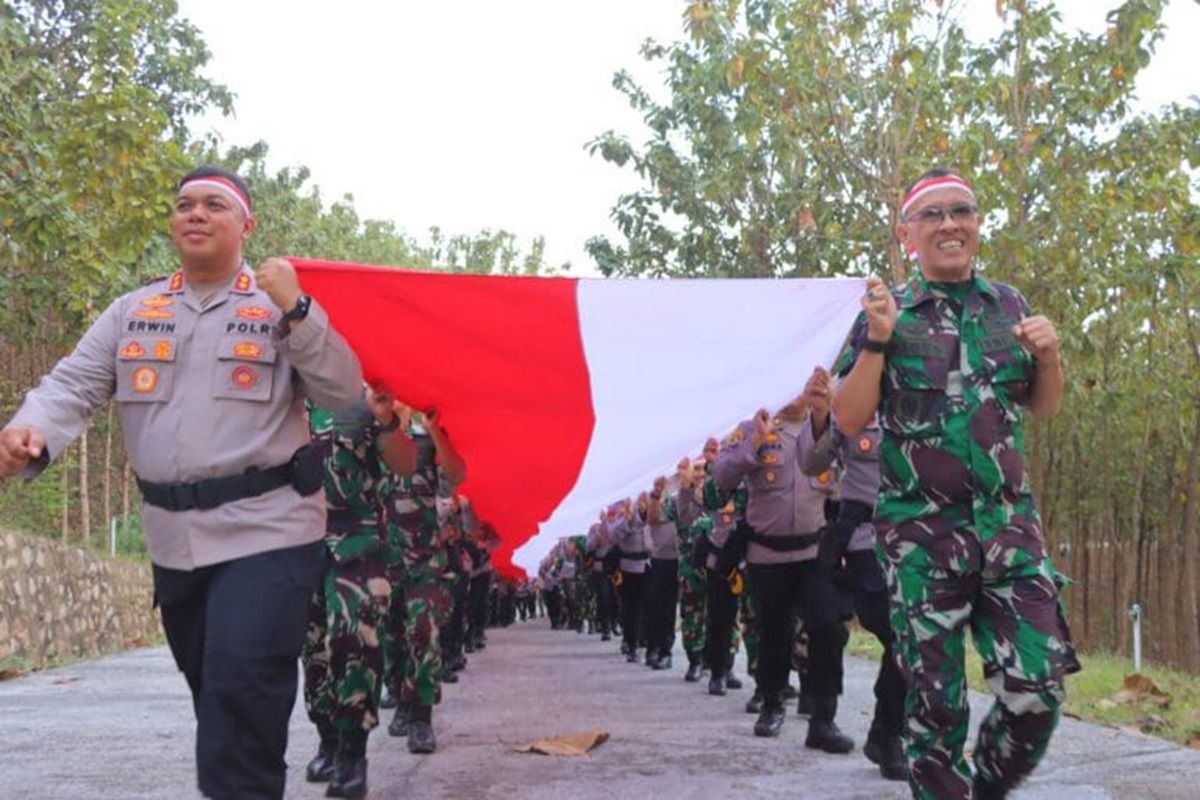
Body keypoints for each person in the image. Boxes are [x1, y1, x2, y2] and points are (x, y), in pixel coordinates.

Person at [0, 166, 362, 799]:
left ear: (246, 225)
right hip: (174, 543)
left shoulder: (279, 307)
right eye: (183, 205)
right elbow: (72, 385)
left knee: (239, 686)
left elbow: (344, 392)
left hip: (268, 533)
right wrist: (31, 430)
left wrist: (298, 310)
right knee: (219, 704)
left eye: (214, 205)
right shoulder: (133, 312)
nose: (195, 214)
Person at [832, 168, 1079, 800]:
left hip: (1010, 535)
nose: (950, 224)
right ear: (906, 235)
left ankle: (983, 790)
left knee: (1039, 687)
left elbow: (1041, 405)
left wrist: (1050, 358)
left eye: (961, 211)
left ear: (976, 224)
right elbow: (848, 416)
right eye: (933, 215)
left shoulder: (1009, 305)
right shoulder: (886, 311)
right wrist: (879, 341)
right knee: (936, 710)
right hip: (922, 542)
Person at [712, 379, 853, 750]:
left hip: (814, 553)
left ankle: (823, 718)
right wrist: (753, 444)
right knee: (774, 633)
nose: (795, 392)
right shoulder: (754, 427)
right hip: (768, 556)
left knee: (828, 626)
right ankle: (772, 702)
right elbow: (722, 477)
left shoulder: (827, 426)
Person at [302, 388, 413, 798]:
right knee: (312, 648)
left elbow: (405, 463)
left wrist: (385, 421)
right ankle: (328, 740)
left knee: (354, 637)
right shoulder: (289, 394)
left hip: (360, 537)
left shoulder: (370, 392)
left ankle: (352, 752)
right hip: (300, 539)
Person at [800, 368, 908, 782]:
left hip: (916, 540)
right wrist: (823, 416)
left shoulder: (924, 392)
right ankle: (888, 733)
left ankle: (887, 730)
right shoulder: (849, 394)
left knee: (910, 635)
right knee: (896, 632)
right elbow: (812, 463)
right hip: (865, 541)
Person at [383, 407, 466, 755]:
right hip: (382, 554)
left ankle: (421, 716)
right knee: (392, 636)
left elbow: (456, 475)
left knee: (424, 631)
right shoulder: (373, 423)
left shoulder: (427, 427)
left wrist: (433, 432)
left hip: (425, 554)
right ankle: (400, 700)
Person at [644, 475, 681, 669]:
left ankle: (667, 651)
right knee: (658, 607)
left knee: (672, 608)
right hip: (660, 559)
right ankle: (656, 649)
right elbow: (652, 518)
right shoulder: (654, 490)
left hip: (681, 558)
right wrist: (657, 494)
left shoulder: (683, 485)